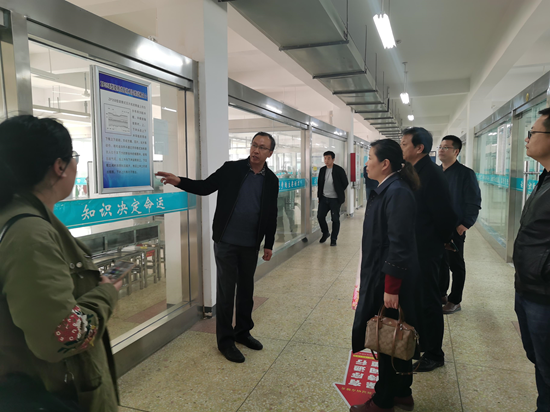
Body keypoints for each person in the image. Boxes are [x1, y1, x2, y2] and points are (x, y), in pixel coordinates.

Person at [0, 115, 121, 412]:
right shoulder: (29, 234)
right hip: (49, 392)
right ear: (59, 166)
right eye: (73, 157)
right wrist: (106, 294)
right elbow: (61, 337)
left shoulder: (18, 217)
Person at [156, 132, 279, 363]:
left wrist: (269, 243)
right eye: (254, 145)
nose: (256, 150)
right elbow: (205, 187)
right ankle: (225, 341)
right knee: (226, 292)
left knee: (246, 291)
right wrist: (179, 181)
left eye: (262, 147)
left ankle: (243, 332)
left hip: (251, 243)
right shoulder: (232, 169)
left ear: (270, 153)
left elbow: (272, 213)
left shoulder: (271, 180)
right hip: (226, 241)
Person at [351, 139, 421, 412]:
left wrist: (391, 287)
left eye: (370, 158)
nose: (366, 163)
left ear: (385, 164)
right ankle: (402, 393)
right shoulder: (387, 189)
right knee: (395, 335)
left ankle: (383, 401)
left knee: (387, 338)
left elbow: (399, 243)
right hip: (382, 274)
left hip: (390, 279)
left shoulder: (397, 192)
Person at [400, 127, 457, 373]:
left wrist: (440, 241)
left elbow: (445, 215)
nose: (401, 148)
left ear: (419, 148)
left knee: (429, 301)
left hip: (426, 248)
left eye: (404, 144)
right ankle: (422, 342)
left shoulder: (431, 174)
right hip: (414, 247)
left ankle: (434, 354)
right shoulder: (412, 170)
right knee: (417, 299)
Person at [514, 107, 550, 412]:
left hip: (544, 293)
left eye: (532, 132)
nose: (527, 139)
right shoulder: (544, 179)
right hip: (529, 288)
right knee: (540, 360)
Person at [437, 135, 481, 314]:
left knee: (455, 264)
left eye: (446, 147)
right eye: (440, 147)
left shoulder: (465, 174)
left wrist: (465, 224)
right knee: (440, 262)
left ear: (456, 151)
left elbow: (474, 201)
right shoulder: (436, 172)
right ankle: (441, 294)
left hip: (455, 228)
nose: (441, 150)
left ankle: (455, 300)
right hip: (436, 228)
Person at [317, 151, 349, 246]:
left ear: (333, 159)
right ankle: (325, 233)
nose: (326, 160)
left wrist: (338, 191)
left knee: (335, 219)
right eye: (325, 158)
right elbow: (320, 184)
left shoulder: (339, 170)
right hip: (324, 198)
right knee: (320, 216)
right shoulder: (322, 170)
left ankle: (334, 239)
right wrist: (319, 196)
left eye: (328, 158)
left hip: (335, 199)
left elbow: (345, 183)